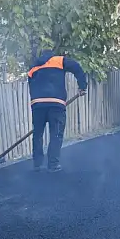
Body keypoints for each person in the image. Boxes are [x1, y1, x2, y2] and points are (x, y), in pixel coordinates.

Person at [27, 44, 88, 173]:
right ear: (52, 54)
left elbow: (31, 85)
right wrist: (82, 86)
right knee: (56, 133)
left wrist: (36, 100)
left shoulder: (33, 67)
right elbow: (76, 67)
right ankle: (53, 164)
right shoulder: (59, 60)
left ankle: (37, 164)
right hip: (56, 103)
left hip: (38, 104)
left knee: (37, 134)